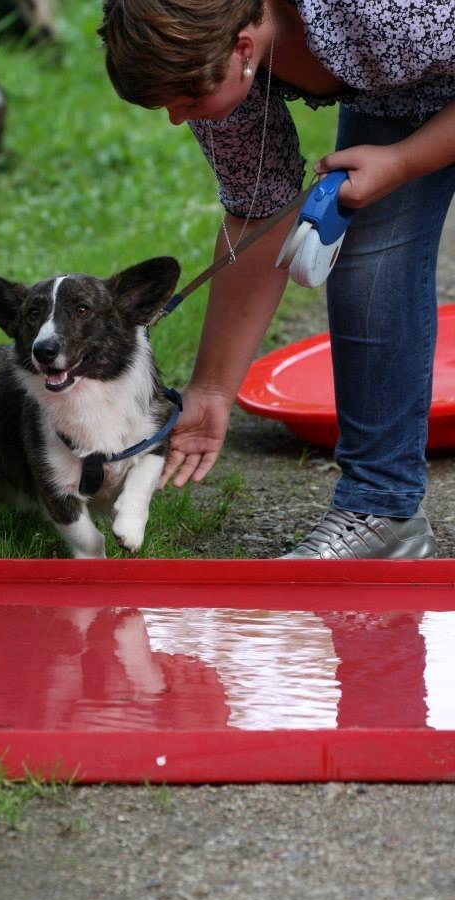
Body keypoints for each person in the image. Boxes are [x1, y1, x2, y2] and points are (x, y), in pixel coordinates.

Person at [98, 0, 455, 558]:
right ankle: (381, 514)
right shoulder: (216, 54)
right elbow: (257, 215)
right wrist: (214, 389)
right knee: (366, 260)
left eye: (186, 101)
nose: (175, 117)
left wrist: (407, 161)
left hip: (417, 47)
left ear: (242, 49)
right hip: (403, 86)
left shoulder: (391, 15)